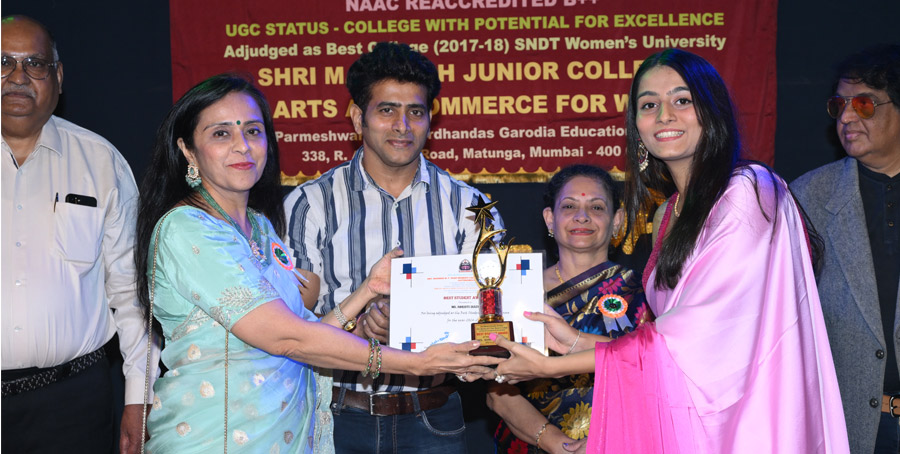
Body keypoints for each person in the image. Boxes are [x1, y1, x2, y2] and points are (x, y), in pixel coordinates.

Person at [491, 49, 850, 453]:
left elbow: (695, 334)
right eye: (649, 105)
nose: (664, 115)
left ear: (712, 112)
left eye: (682, 100)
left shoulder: (747, 191)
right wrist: (576, 341)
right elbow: (670, 348)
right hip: (683, 421)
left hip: (743, 422)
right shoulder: (667, 213)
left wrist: (550, 366)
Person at [134, 73, 499, 453]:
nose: (243, 146)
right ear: (188, 150)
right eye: (221, 133)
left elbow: (302, 333)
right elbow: (288, 339)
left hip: (282, 436)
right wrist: (418, 363)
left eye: (254, 131)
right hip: (215, 436)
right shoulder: (187, 228)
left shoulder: (261, 228)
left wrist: (366, 292)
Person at [283, 42, 503, 453]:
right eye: (387, 110)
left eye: (415, 112)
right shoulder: (310, 204)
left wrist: (414, 327)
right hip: (336, 416)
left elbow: (492, 319)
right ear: (357, 118)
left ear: (431, 119)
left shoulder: (471, 207)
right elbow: (289, 325)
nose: (403, 125)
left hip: (434, 417)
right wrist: (358, 328)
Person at [0, 15, 159, 454]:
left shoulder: (100, 162)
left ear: (58, 76)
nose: (18, 76)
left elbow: (132, 292)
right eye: (3, 62)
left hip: (71, 406)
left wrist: (139, 395)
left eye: (34, 63)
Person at [487, 164, 648, 454]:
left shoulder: (644, 292)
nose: (582, 216)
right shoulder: (516, 292)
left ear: (617, 220)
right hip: (533, 444)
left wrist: (605, 442)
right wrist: (560, 446)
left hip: (621, 442)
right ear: (550, 219)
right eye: (569, 206)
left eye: (596, 207)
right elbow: (498, 392)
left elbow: (656, 374)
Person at [791, 44, 900, 454]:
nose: (847, 118)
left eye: (864, 105)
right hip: (851, 428)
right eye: (840, 106)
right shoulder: (807, 197)